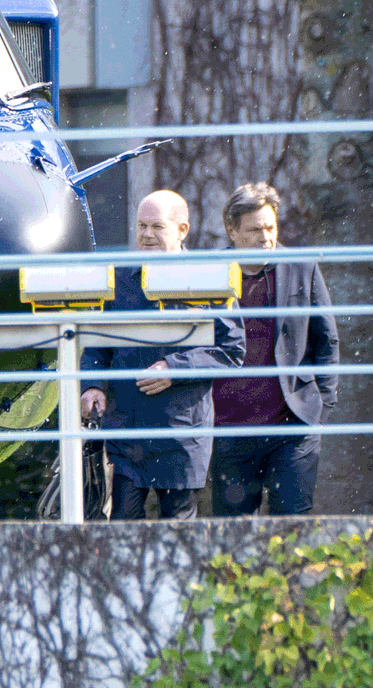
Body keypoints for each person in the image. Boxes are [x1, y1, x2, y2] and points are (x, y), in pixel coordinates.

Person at [80, 190, 245, 520]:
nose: (146, 235)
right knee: (122, 536)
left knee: (178, 541)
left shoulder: (208, 279)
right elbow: (96, 342)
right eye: (141, 226)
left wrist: (174, 368)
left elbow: (232, 350)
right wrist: (92, 385)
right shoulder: (119, 279)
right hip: (128, 435)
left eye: (157, 226)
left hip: (182, 438)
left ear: (182, 230)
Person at [210, 182, 339, 516]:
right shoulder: (209, 273)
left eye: (270, 227)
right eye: (254, 230)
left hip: (292, 425)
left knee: (292, 527)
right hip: (229, 428)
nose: (266, 237)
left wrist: (321, 405)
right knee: (232, 533)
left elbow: (327, 339)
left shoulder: (301, 267)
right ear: (232, 231)